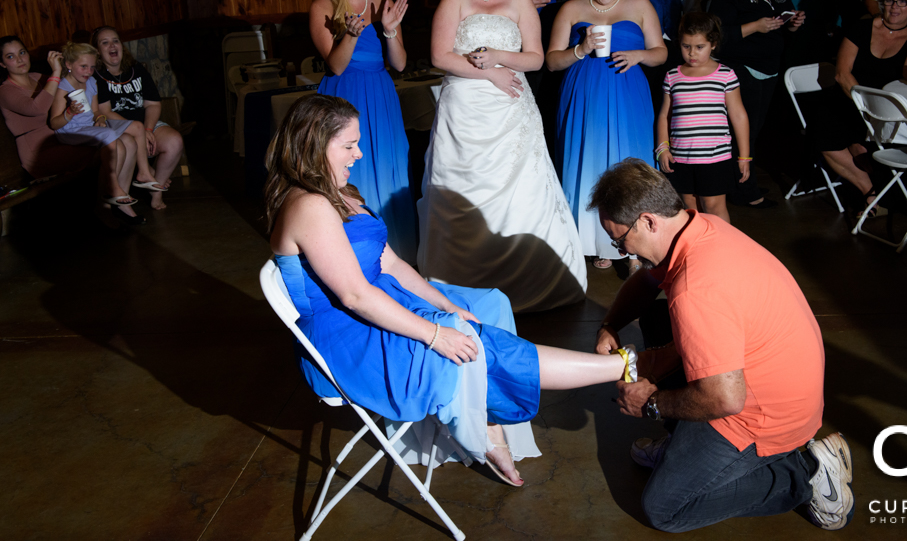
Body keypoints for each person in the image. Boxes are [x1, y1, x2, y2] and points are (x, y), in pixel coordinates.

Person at [266, 94, 640, 486]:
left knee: (487, 304)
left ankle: (487, 418)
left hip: (380, 296)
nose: (359, 154)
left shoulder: (342, 195)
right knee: (468, 341)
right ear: (313, 144)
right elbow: (355, 296)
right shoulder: (309, 206)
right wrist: (435, 334)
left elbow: (390, 264)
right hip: (346, 335)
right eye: (348, 145)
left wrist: (447, 304)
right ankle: (622, 366)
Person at [589, 159, 852, 533]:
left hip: (763, 416)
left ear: (648, 221)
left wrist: (650, 403)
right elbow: (647, 282)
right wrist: (610, 324)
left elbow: (727, 399)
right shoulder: (698, 226)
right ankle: (685, 448)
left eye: (620, 240)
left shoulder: (696, 289)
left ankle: (805, 472)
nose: (622, 251)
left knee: (665, 508)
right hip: (774, 382)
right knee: (657, 317)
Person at [418, 0, 587, 312]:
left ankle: (526, 282)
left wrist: (499, 56)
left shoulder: (519, 1)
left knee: (520, 195)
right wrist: (487, 72)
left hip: (512, 112)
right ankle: (460, 285)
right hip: (464, 112)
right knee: (462, 193)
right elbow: (440, 55)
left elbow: (536, 58)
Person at [546, 0, 667, 271]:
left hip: (629, 92)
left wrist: (639, 55)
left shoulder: (639, 4)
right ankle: (600, 240)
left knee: (630, 161)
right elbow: (552, 62)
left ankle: (635, 246)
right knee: (592, 161)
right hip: (586, 93)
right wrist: (580, 48)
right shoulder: (572, 8)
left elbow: (661, 52)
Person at [309, 0, 417, 263]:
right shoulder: (323, 7)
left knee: (386, 162)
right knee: (348, 168)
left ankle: (394, 249)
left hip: (381, 94)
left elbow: (399, 63)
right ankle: (350, 250)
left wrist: (389, 31)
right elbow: (336, 65)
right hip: (344, 96)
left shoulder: (383, 3)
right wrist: (352, 35)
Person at [809, 0, 907, 216]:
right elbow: (842, 74)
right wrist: (864, 108)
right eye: (890, 0)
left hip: (890, 109)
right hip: (850, 98)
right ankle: (871, 193)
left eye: (903, 2)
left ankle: (882, 190)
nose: (895, 7)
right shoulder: (862, 27)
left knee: (865, 147)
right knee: (824, 131)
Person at [708, 0, 805, 208]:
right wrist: (755, 26)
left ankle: (740, 183)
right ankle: (745, 192)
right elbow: (717, 35)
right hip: (743, 69)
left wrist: (794, 23)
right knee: (743, 132)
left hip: (770, 70)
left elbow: (785, 23)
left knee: (755, 130)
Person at [656, 13, 749, 224]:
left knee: (714, 209)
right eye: (686, 46)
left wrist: (744, 156)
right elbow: (664, 115)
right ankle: (700, 252)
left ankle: (722, 252)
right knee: (691, 210)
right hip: (681, 158)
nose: (692, 53)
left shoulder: (725, 74)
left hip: (714, 159)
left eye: (699, 47)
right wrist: (663, 148)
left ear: (713, 44)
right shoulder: (673, 76)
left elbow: (739, 115)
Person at [504, 0, 581, 156]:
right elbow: (496, 27)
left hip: (566, 68)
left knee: (564, 136)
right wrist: (522, 8)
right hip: (528, 73)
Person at [52, 42, 150, 225]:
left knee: (128, 139)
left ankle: (122, 201)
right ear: (68, 65)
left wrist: (101, 119)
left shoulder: (91, 82)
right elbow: (54, 123)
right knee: (111, 137)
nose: (88, 71)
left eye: (91, 67)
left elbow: (96, 111)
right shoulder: (63, 87)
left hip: (89, 126)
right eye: (83, 66)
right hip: (70, 131)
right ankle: (112, 189)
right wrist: (70, 112)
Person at [92, 26, 185, 211]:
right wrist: (139, 131)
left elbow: (153, 104)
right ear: (97, 51)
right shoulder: (96, 76)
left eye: (115, 40)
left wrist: (148, 129)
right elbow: (105, 111)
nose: (112, 45)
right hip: (118, 129)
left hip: (143, 126)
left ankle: (155, 193)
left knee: (174, 141)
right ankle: (115, 202)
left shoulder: (136, 69)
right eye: (105, 42)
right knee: (126, 143)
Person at [0, 36, 94, 180]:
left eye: (22, 52)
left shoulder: (37, 77)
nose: (20, 59)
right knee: (98, 150)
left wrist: (72, 65)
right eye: (11, 56)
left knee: (105, 144)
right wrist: (55, 73)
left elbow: (69, 82)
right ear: (2, 64)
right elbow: (37, 109)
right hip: (37, 151)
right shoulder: (5, 90)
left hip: (61, 138)